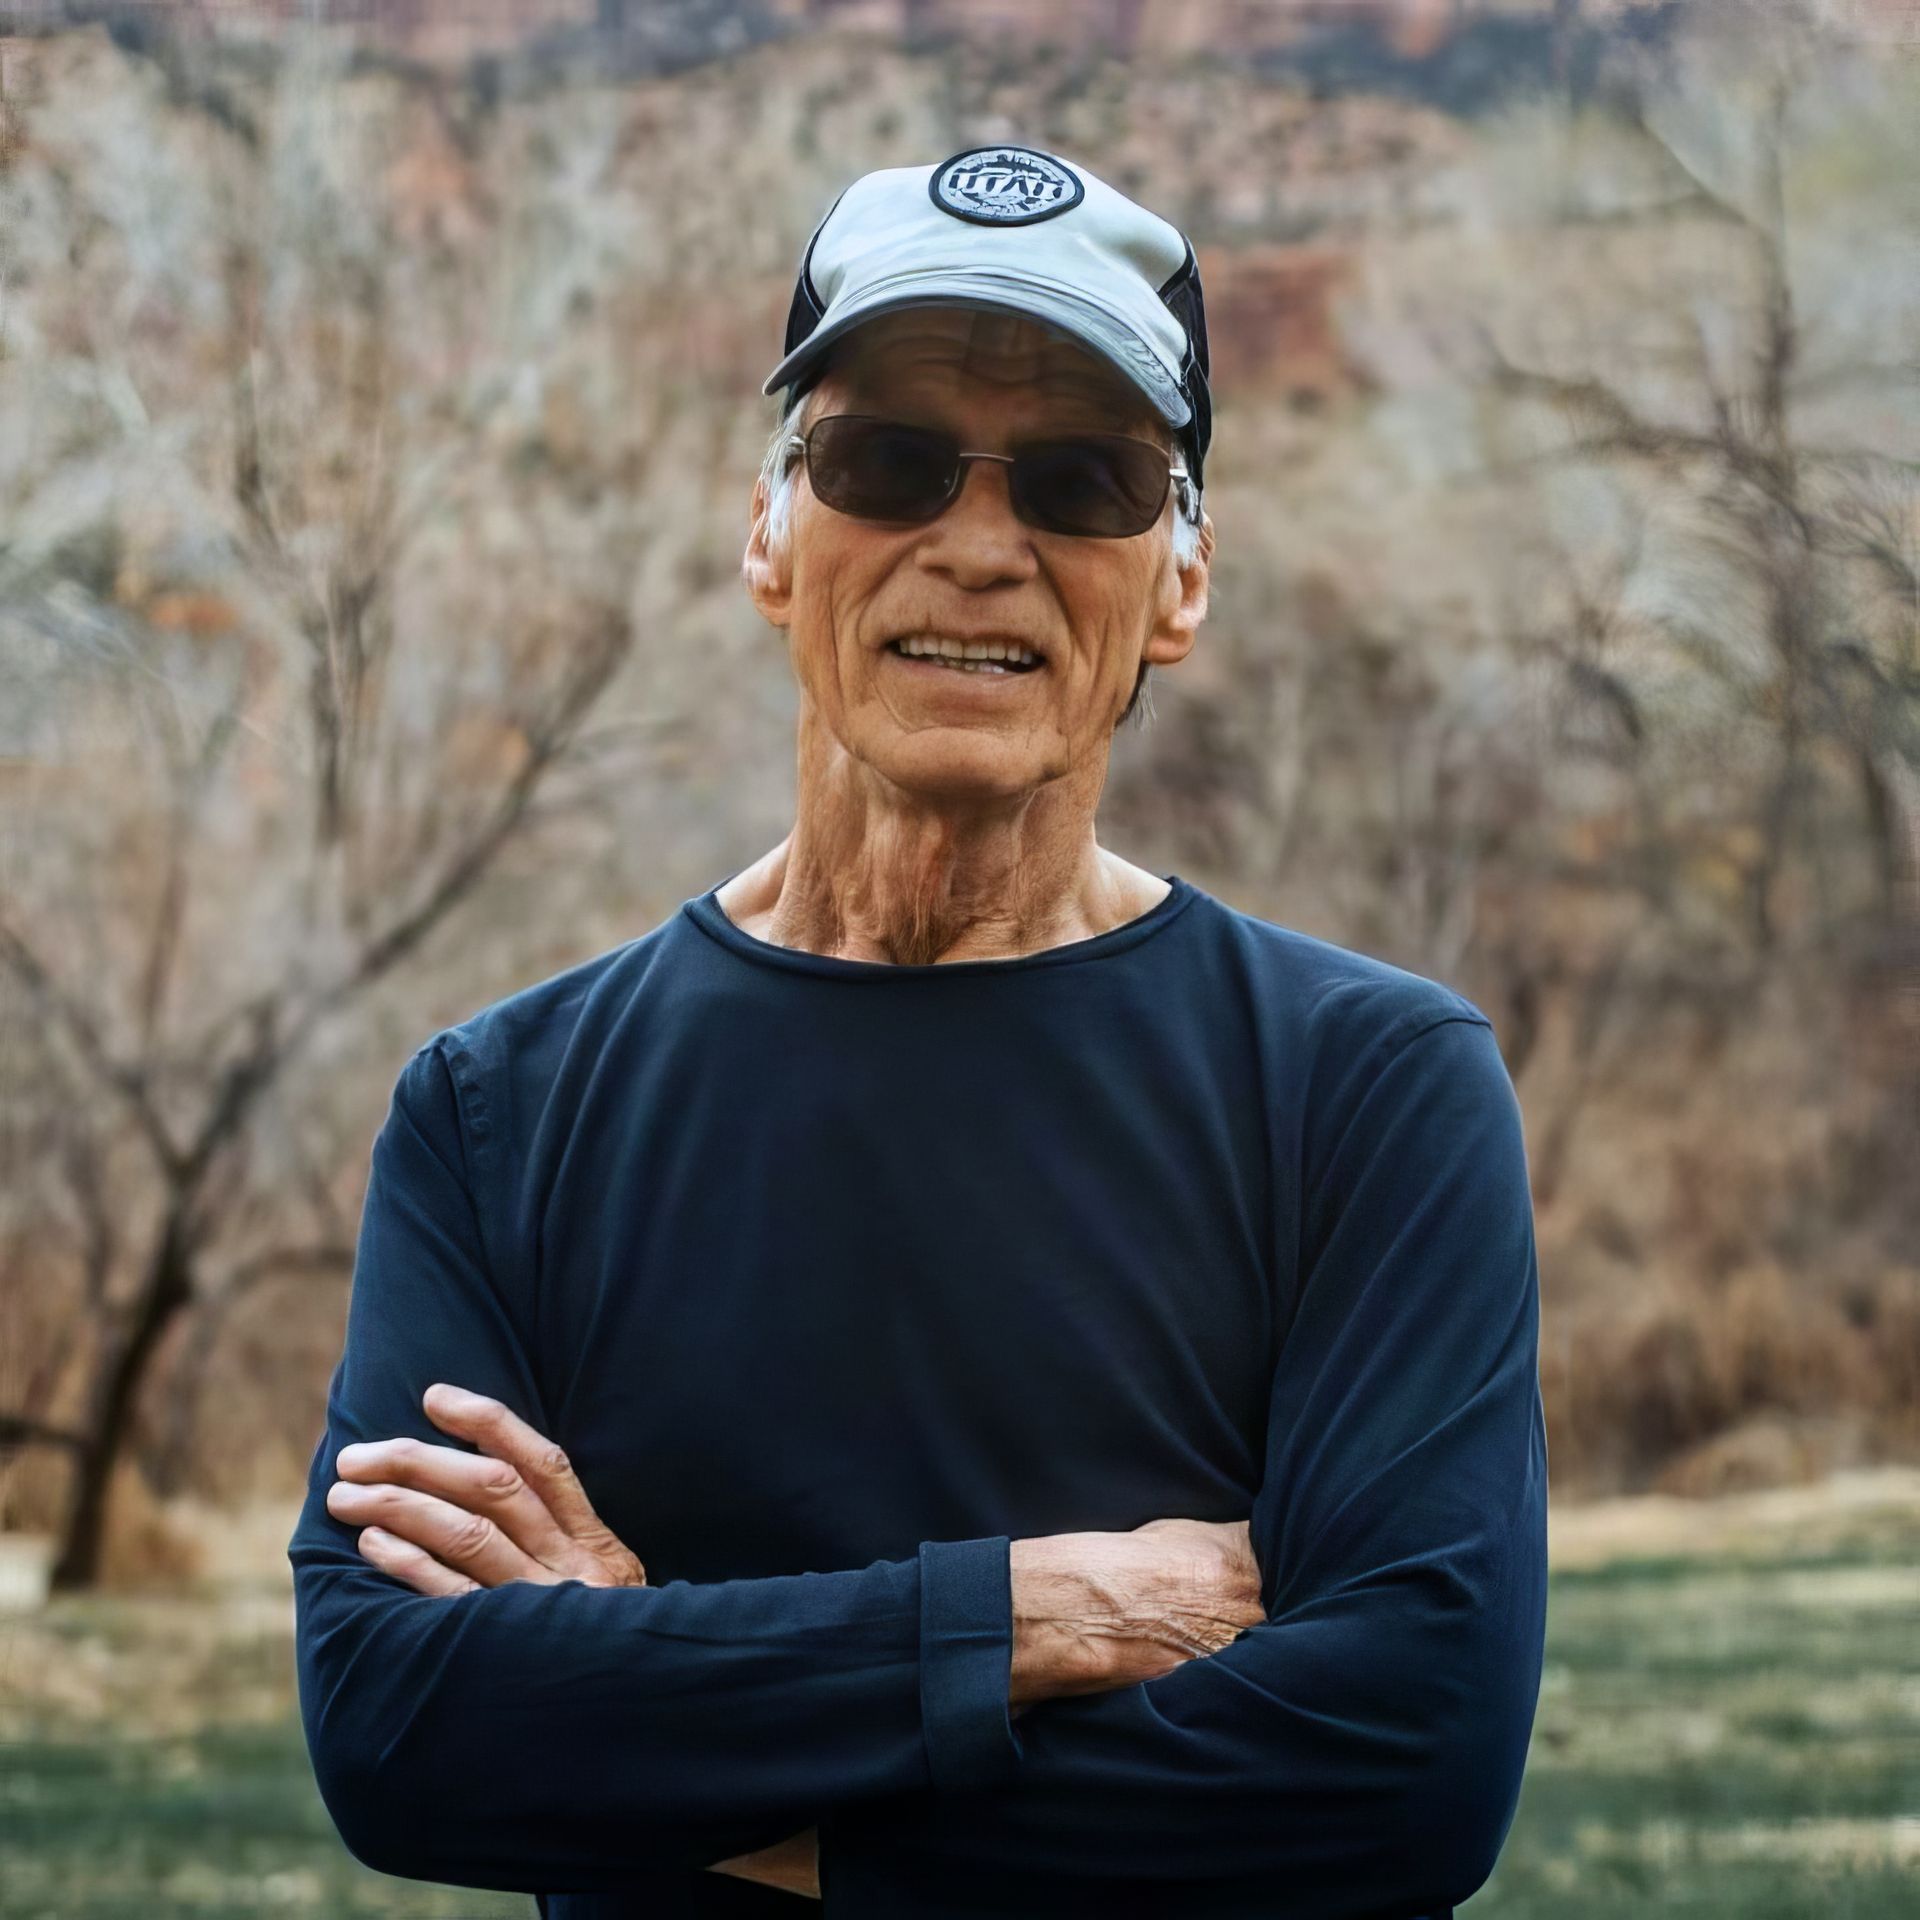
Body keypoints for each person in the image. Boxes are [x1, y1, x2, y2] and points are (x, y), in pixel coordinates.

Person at [288, 146, 1548, 1919]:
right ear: (770, 533)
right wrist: (1043, 1617)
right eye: (887, 462)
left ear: (1177, 581)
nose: (978, 545)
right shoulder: (501, 1110)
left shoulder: (1370, 1090)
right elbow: (400, 1729)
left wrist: (649, 1703)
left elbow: (1402, 1772)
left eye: (1083, 480)